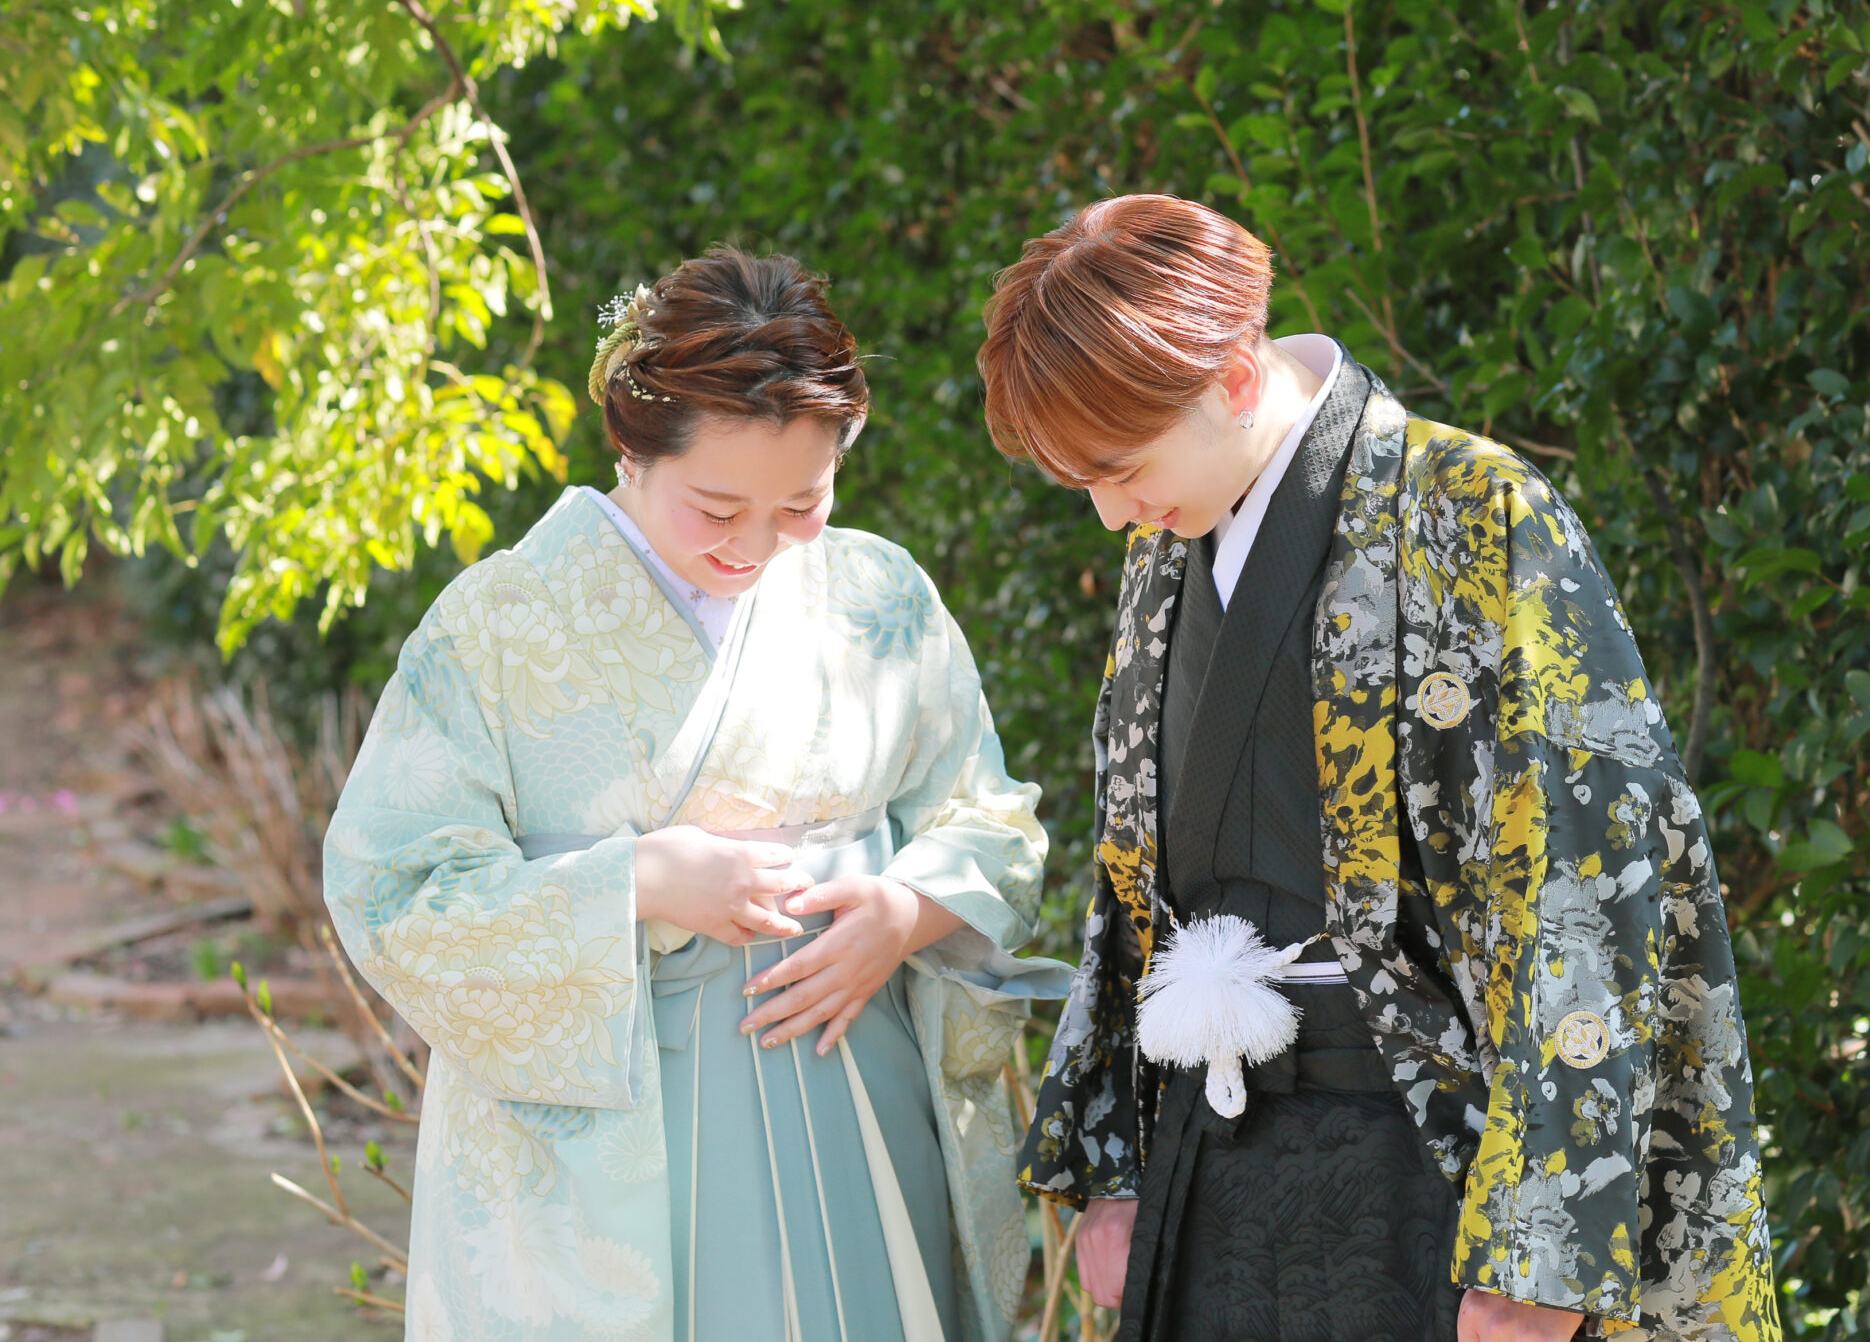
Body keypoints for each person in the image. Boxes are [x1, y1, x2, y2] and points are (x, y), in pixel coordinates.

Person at [985, 196, 1777, 1342]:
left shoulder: (1470, 510)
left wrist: (1541, 1255)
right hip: (1212, 1151)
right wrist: (1118, 1163)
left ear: (1232, 380)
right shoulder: (1172, 541)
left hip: (1428, 1155)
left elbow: (1584, 879)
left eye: (1121, 468)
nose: (1114, 514)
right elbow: (1135, 888)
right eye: (1084, 485)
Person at [325, 248, 1063, 1342]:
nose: (756, 544)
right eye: (717, 507)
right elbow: (390, 886)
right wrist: (632, 882)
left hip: (851, 1062)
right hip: (620, 1120)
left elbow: (988, 816)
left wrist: (907, 911)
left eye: (802, 502)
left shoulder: (879, 592)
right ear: (632, 449)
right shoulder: (498, 622)